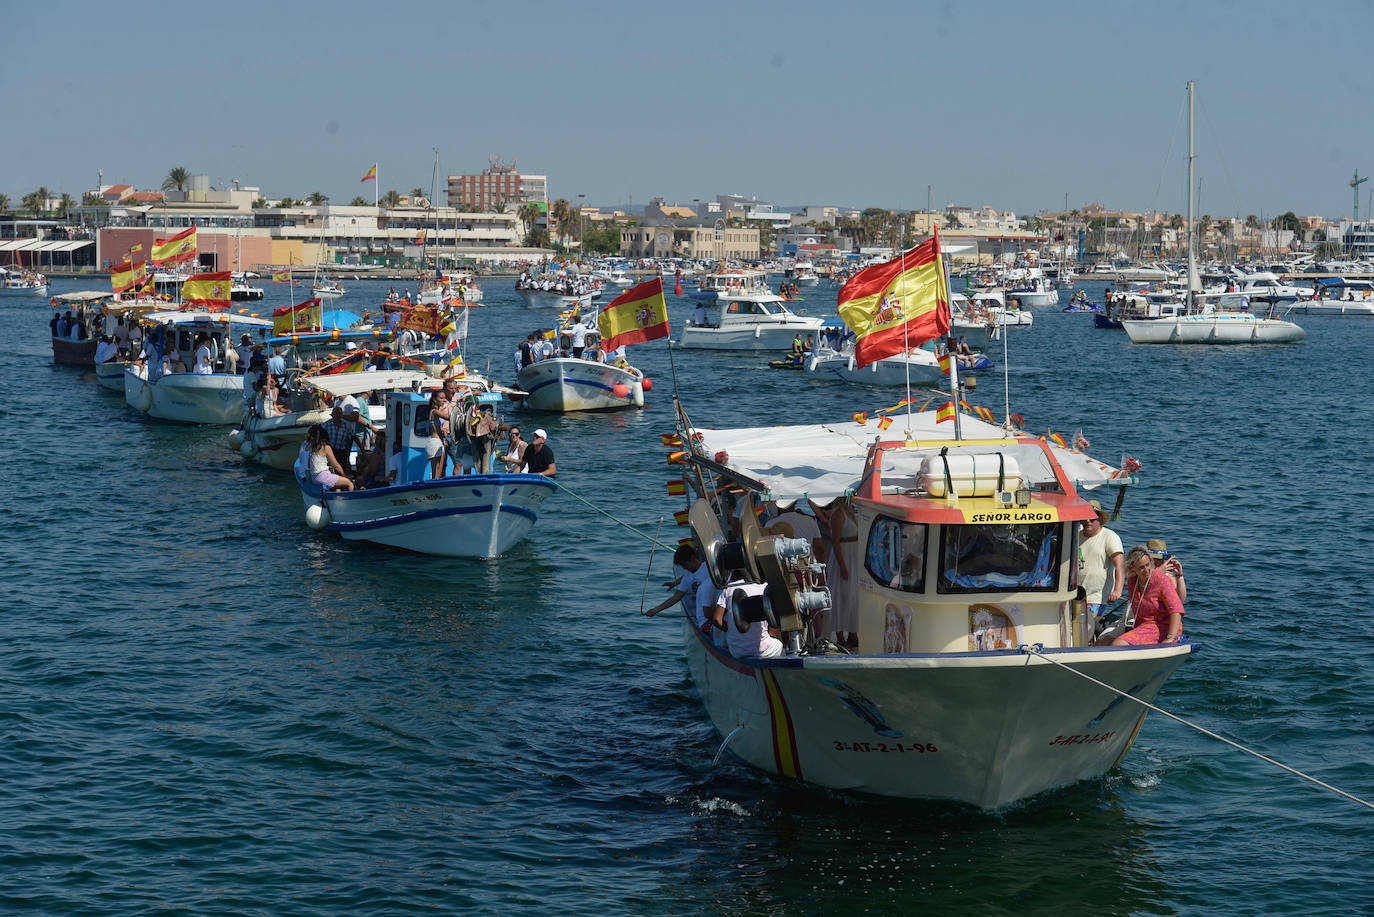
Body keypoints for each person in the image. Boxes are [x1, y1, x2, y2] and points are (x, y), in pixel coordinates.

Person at [1103, 545, 1184, 646]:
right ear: (1133, 568)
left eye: (1148, 565)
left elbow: (1176, 610)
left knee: (1118, 644)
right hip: (1142, 625)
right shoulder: (1133, 581)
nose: (1146, 570)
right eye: (1141, 568)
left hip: (1162, 627)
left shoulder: (1161, 580)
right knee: (1103, 642)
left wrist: (1170, 638)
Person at [714, 575, 784, 658]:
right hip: (762, 650)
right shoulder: (767, 588)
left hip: (736, 650)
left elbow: (717, 620)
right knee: (780, 645)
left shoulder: (730, 588)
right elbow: (773, 632)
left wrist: (732, 631)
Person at [1078, 500, 1124, 619]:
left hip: (1096, 598)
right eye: (1084, 517)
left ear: (1099, 519)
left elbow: (1119, 566)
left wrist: (1117, 591)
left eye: (1092, 517)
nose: (1087, 521)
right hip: (1074, 595)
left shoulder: (1110, 537)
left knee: (1085, 628)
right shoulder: (1075, 536)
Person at [645, 544, 708, 618]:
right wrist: (656, 610)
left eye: (685, 565)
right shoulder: (688, 576)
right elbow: (676, 597)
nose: (684, 568)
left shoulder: (707, 569)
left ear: (693, 558)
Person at [306, 425, 354, 491]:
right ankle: (350, 500)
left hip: (314, 478)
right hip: (323, 477)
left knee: (337, 487)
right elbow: (335, 465)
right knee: (349, 483)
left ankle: (337, 500)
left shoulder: (312, 448)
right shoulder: (326, 447)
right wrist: (344, 475)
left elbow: (309, 465)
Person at [426, 391, 449, 480]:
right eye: (441, 398)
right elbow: (448, 417)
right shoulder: (435, 412)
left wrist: (443, 430)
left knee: (437, 472)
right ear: (435, 399)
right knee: (437, 473)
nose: (444, 400)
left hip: (436, 442)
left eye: (444, 398)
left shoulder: (432, 412)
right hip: (435, 443)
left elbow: (435, 427)